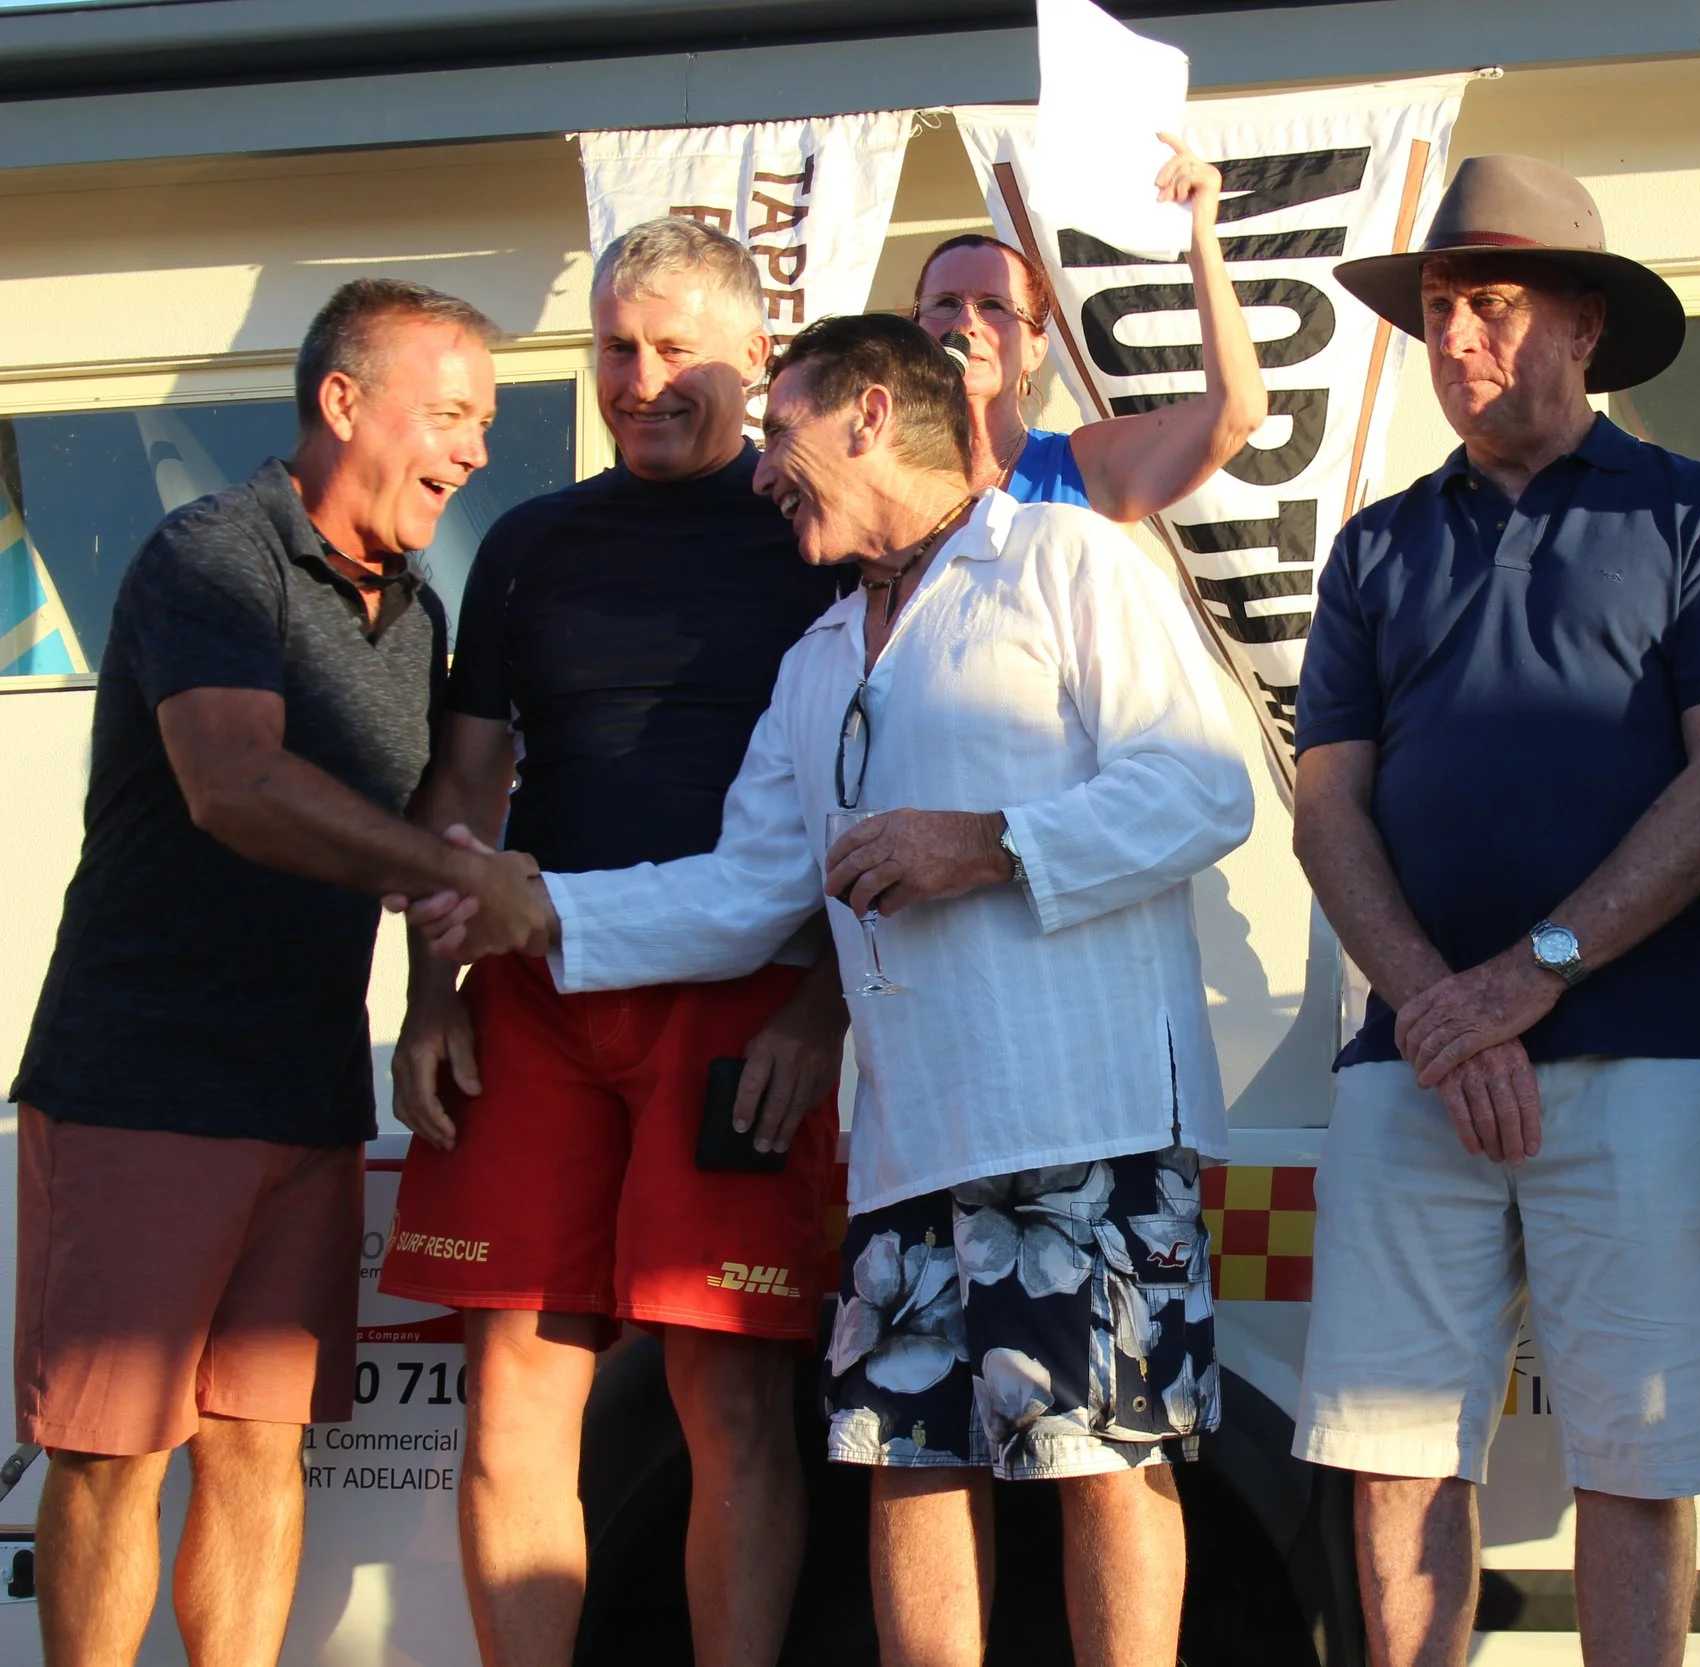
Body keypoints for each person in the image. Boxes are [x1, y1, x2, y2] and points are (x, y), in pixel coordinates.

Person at [410, 313, 1254, 1667]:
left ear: (869, 413)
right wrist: (543, 907)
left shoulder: (1066, 559)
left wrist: (989, 842)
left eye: (781, 432)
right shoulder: (816, 658)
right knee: (909, 1460)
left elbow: (1203, 790)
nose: (760, 474)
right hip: (907, 1138)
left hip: (1080, 1113)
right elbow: (748, 888)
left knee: (1106, 1456)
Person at [1290, 155, 1700, 1667]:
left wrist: (1529, 974)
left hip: (1646, 1055)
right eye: (1439, 307)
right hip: (1413, 1070)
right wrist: (1443, 1015)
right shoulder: (1376, 543)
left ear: (1585, 323)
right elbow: (1325, 809)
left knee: (1636, 1456)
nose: (1456, 337)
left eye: (1494, 304)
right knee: (1394, 1454)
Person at [9, 278, 526, 1667]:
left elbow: (435, 821)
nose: (477, 448)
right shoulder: (213, 555)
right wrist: (475, 883)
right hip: (141, 1084)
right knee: (112, 1451)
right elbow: (234, 783)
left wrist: (430, 1000)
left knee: (259, 1440)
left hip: (303, 1093)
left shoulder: (416, 611)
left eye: (488, 421)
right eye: (454, 413)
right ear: (343, 401)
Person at [372, 218, 853, 1667]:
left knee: (728, 1395)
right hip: (532, 997)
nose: (639, 380)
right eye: (614, 348)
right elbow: (465, 791)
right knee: (516, 1388)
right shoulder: (530, 541)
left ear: (755, 354)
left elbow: (875, 784)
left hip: (737, 1004)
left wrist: (822, 1006)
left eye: (673, 349)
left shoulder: (816, 536)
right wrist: (431, 994)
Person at [910, 137, 1263, 518]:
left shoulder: (1086, 468)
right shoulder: (876, 469)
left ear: (1035, 350)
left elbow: (1236, 411)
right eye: (945, 303)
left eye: (994, 306)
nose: (965, 323)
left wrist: (1198, 237)